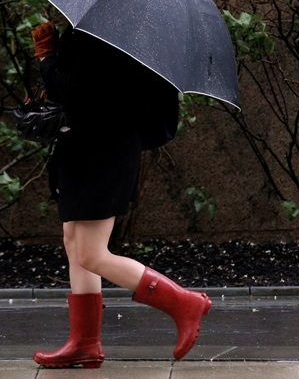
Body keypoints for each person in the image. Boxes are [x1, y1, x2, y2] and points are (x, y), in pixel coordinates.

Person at [30, 21, 211, 369]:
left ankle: (184, 303)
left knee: (91, 253)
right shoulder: (116, 31)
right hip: (87, 147)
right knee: (74, 243)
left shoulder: (100, 35)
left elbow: (72, 90)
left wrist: (47, 57)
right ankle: (84, 343)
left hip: (102, 152)